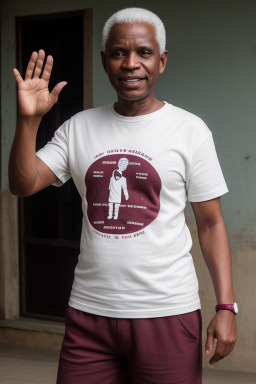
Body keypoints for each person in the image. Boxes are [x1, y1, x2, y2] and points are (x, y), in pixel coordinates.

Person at [9, 7, 237, 384]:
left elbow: (211, 223)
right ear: (104, 61)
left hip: (167, 312)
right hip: (89, 315)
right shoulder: (78, 128)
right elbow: (23, 183)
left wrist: (227, 306)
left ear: (161, 61)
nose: (131, 64)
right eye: (119, 53)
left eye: (144, 53)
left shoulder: (190, 131)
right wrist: (29, 121)